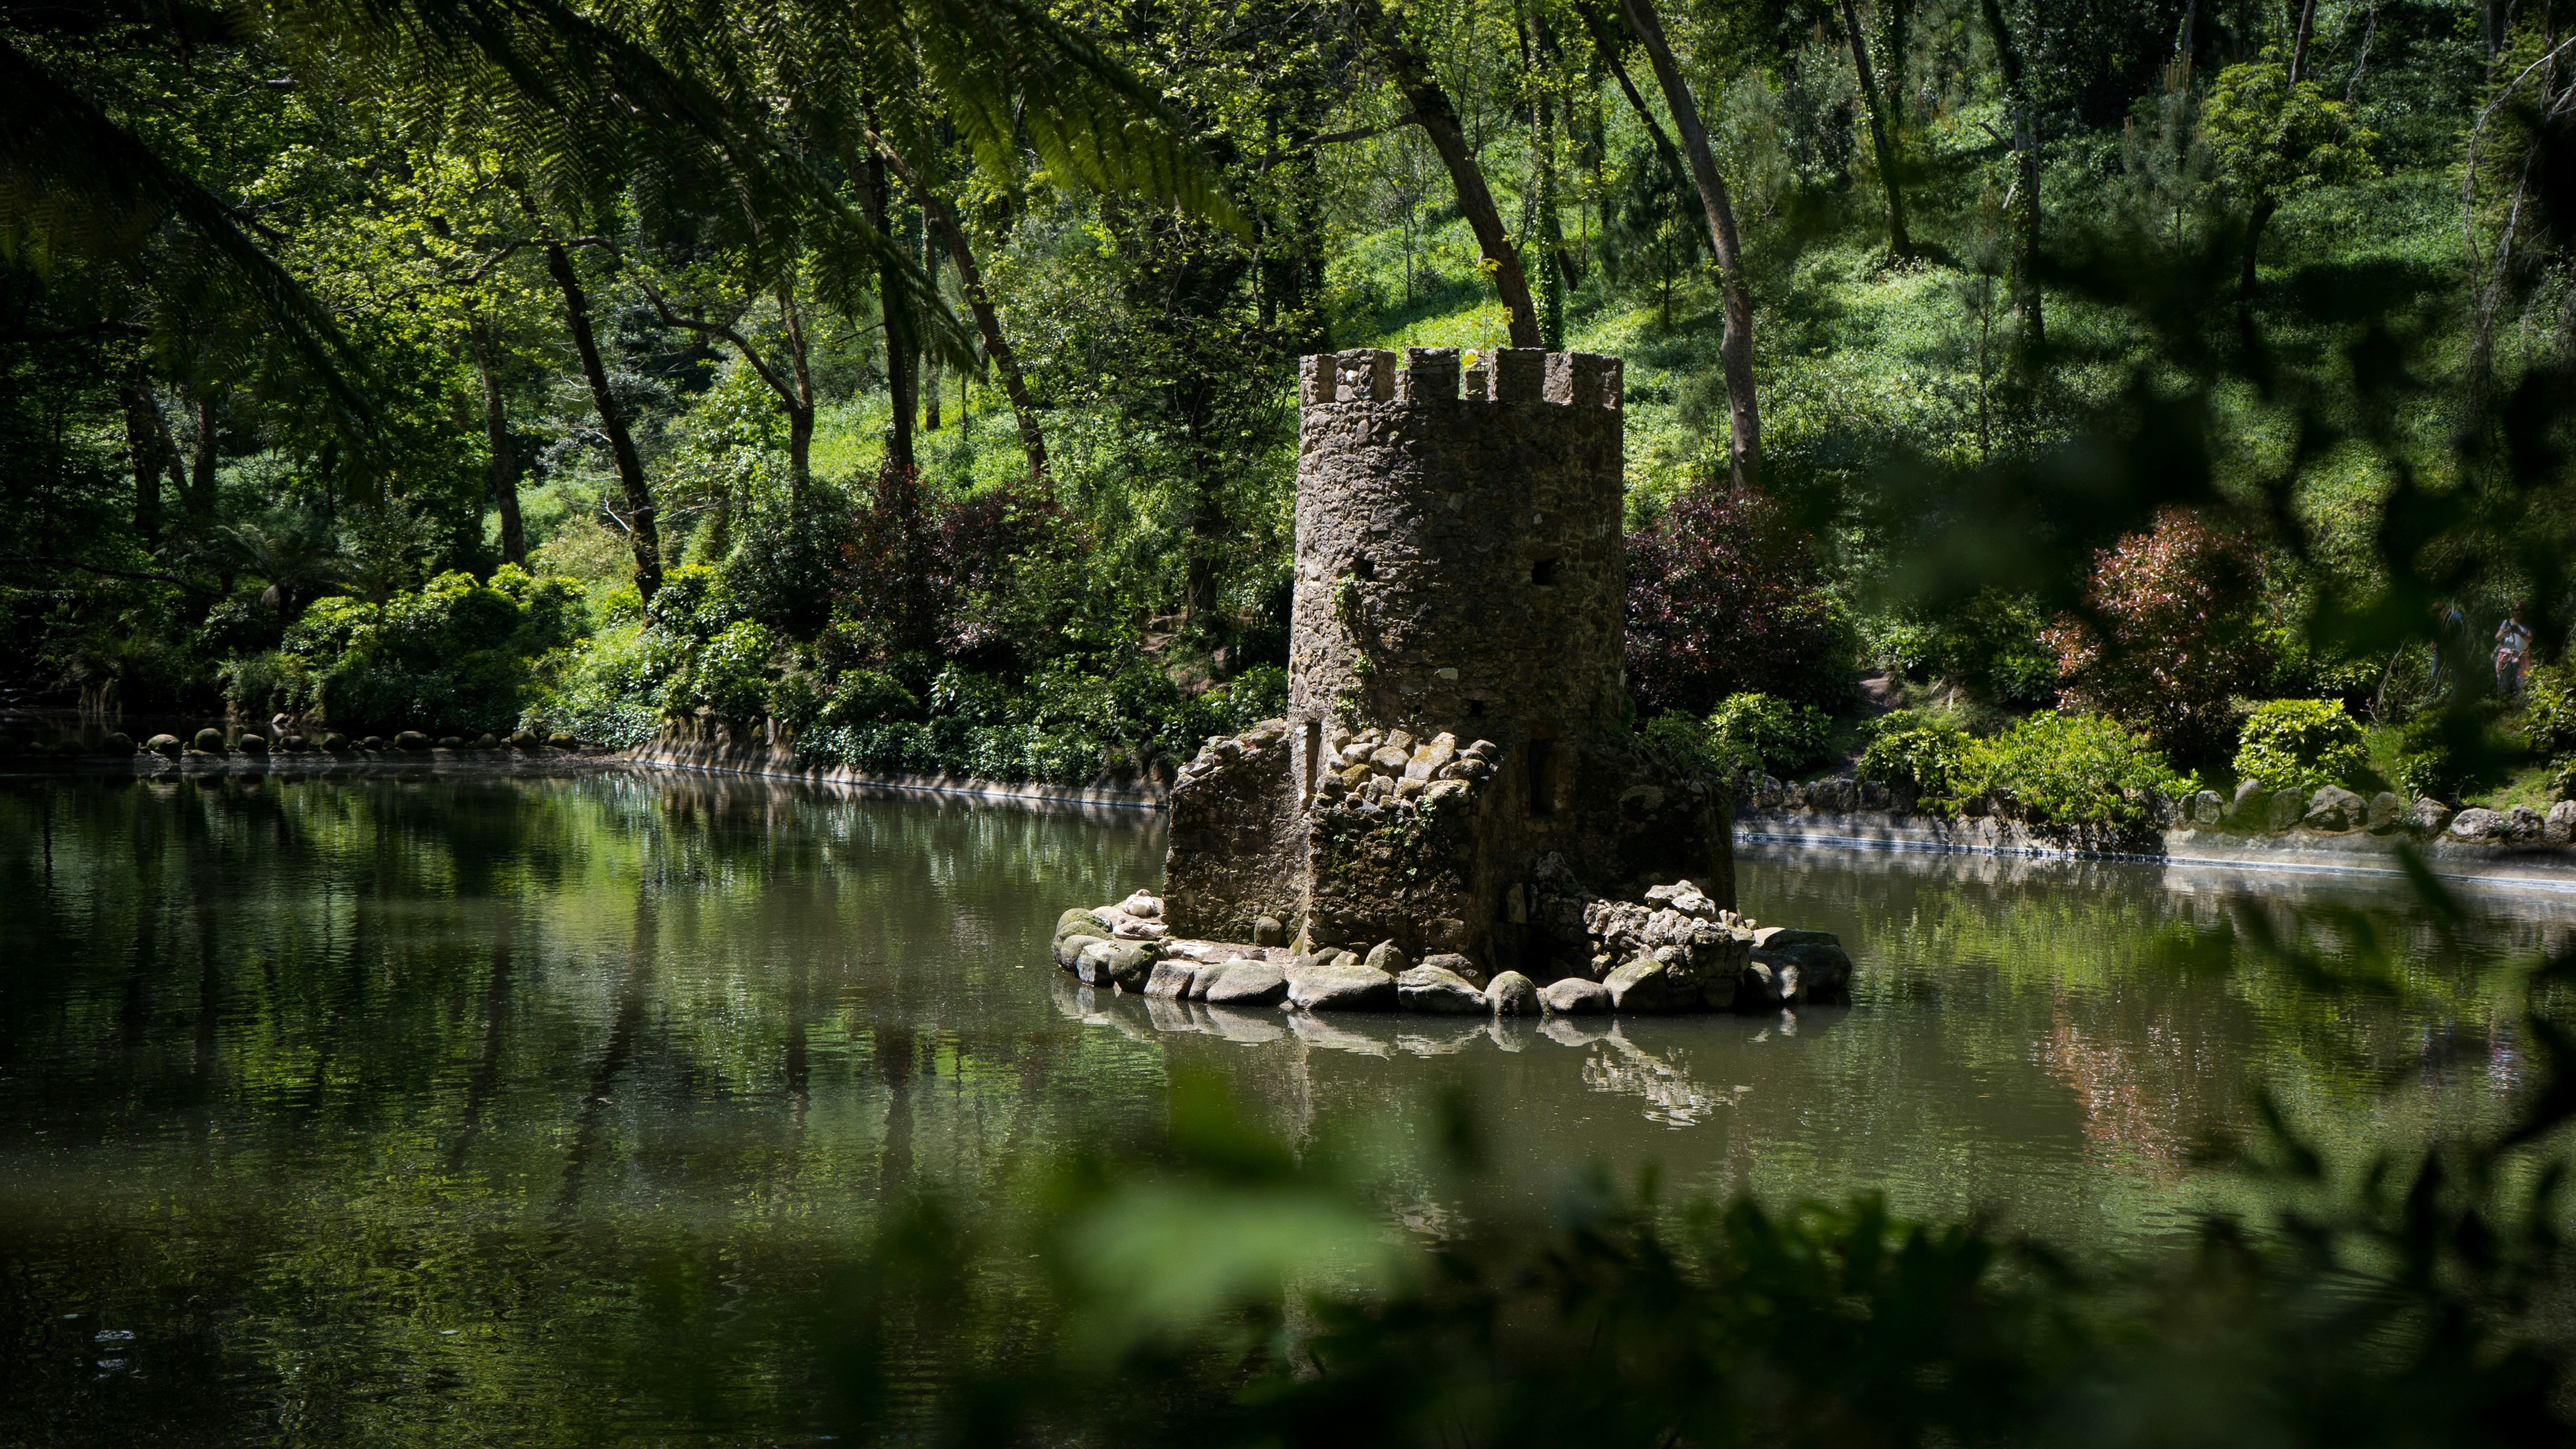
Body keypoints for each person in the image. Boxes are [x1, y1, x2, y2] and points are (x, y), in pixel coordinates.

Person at [2497, 611, 2534, 698]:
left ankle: (2519, 706)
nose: (2518, 612)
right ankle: (2503, 703)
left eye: (2520, 610)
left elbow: (2530, 640)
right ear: (2512, 611)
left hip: (2522, 658)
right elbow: (2498, 638)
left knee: (2521, 684)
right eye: (2516, 610)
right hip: (2506, 657)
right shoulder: (2507, 622)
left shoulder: (2528, 624)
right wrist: (2506, 632)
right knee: (2504, 682)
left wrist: (2519, 633)